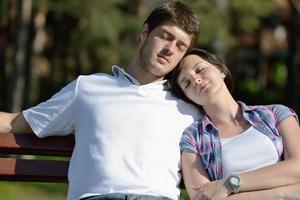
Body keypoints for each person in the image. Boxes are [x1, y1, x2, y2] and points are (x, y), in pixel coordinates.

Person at [0, 1, 202, 200]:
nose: (170, 49)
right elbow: (12, 123)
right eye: (166, 37)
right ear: (144, 33)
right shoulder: (88, 88)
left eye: (181, 46)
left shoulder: (189, 110)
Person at [170, 48, 300, 200]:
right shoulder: (193, 138)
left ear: (220, 70)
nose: (196, 80)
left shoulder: (276, 114)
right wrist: (284, 193)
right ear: (187, 97)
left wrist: (230, 184)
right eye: (186, 83)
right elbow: (202, 197)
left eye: (200, 69)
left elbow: (297, 167)